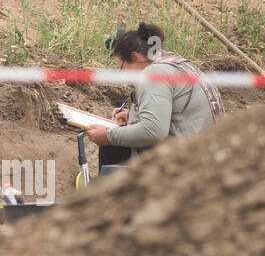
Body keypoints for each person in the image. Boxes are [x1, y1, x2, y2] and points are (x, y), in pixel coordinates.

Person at [82, 23, 223, 164]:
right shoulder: (174, 62)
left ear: (135, 57)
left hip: (187, 163)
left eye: (122, 68)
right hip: (208, 154)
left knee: (112, 148)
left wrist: (108, 136)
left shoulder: (153, 74)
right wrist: (133, 117)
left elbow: (153, 131)